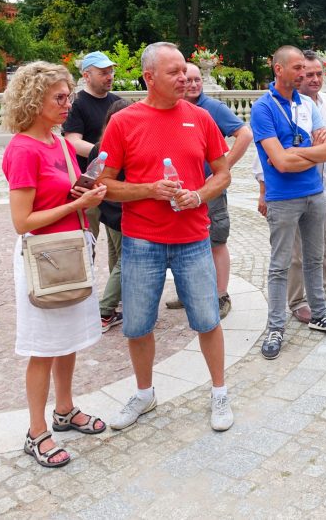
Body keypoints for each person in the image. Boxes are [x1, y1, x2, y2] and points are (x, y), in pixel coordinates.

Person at [98, 42, 234, 433]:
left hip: (193, 237)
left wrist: (199, 194)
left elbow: (222, 173)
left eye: (185, 71)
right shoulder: (124, 122)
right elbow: (105, 185)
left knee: (208, 320)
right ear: (149, 77)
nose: (184, 79)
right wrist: (150, 190)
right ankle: (144, 393)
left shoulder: (200, 117)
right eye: (173, 72)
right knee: (138, 325)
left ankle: (219, 391)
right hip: (142, 241)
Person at [1, 61, 108, 468]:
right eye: (59, 98)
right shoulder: (23, 149)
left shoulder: (58, 141)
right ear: (34, 101)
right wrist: (80, 203)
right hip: (43, 257)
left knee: (69, 342)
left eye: (69, 97)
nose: (68, 104)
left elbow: (60, 197)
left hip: (71, 250)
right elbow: (21, 222)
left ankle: (64, 410)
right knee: (42, 349)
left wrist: (83, 192)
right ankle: (36, 430)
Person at [250, 46, 326, 361]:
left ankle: (319, 313)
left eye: (305, 69)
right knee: (279, 267)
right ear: (278, 69)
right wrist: (306, 153)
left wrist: (295, 156)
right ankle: (276, 327)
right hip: (282, 198)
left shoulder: (307, 104)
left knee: (314, 258)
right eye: (297, 68)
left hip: (315, 193)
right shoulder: (263, 108)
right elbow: (278, 162)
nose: (303, 74)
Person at [165, 62, 253, 319]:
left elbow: (244, 134)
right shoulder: (175, 107)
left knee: (216, 240)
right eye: (187, 79)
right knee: (185, 242)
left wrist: (222, 169)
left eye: (196, 80)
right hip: (181, 190)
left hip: (209, 190)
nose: (192, 84)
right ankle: (188, 292)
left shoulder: (211, 107)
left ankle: (221, 294)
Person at [286, 51, 326, 320]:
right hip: (301, 188)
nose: (314, 79)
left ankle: (323, 294)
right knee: (298, 251)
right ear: (298, 75)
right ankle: (298, 300)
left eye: (319, 74)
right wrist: (263, 190)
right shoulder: (289, 106)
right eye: (309, 74)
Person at [63, 51, 122, 320]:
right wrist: (105, 152)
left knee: (115, 245)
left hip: (112, 185)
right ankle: (82, 301)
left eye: (110, 71)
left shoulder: (117, 102)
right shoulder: (77, 104)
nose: (109, 76)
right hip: (86, 186)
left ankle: (114, 300)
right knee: (87, 242)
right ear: (86, 75)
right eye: (103, 72)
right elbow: (72, 141)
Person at [89, 98, 132, 332]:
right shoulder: (123, 145)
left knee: (116, 255)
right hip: (122, 211)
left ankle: (120, 298)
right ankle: (105, 310)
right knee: (125, 260)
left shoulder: (99, 145)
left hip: (106, 210)